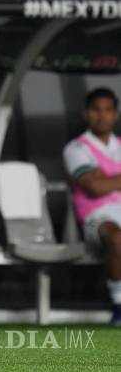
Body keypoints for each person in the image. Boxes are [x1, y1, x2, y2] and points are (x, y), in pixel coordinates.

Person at [63, 87, 121, 326]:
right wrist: (101, 181)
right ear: (86, 113)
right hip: (96, 217)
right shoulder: (76, 148)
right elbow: (93, 187)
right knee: (117, 237)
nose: (102, 116)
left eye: (108, 110)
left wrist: (106, 178)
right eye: (96, 110)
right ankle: (119, 306)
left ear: (115, 114)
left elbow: (101, 182)